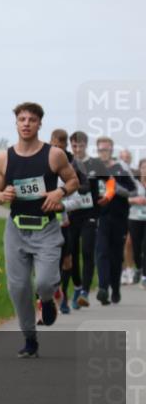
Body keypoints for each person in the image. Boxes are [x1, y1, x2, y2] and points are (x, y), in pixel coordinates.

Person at [0, 103, 78, 358]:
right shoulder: (4, 158)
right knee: (17, 288)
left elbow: (73, 181)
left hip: (47, 229)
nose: (26, 123)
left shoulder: (54, 155)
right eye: (22, 119)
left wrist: (59, 191)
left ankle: (48, 299)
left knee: (44, 282)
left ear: (40, 124)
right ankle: (30, 339)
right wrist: (1, 194)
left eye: (32, 119)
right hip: (16, 229)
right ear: (16, 124)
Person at [86, 137, 136, 305]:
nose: (103, 153)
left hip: (119, 218)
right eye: (100, 150)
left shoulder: (120, 169)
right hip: (100, 217)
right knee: (101, 252)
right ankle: (102, 288)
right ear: (97, 151)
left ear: (111, 150)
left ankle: (115, 288)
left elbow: (133, 191)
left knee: (115, 257)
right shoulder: (93, 170)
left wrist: (116, 189)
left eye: (106, 150)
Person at [65, 131, 97, 308]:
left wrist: (106, 198)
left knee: (87, 251)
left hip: (90, 214)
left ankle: (85, 291)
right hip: (72, 214)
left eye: (81, 145)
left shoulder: (95, 164)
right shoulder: (67, 164)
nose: (77, 149)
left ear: (86, 145)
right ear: (71, 146)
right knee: (73, 253)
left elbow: (108, 183)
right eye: (74, 146)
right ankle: (77, 287)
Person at [49, 129, 78, 314]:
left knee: (67, 262)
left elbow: (78, 198)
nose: (57, 150)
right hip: (45, 226)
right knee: (49, 264)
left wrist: (62, 206)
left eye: (61, 147)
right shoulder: (41, 164)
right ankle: (49, 298)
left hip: (64, 223)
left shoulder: (70, 167)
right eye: (54, 146)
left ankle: (64, 295)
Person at [129, 158, 146, 285]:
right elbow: (126, 199)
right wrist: (135, 200)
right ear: (139, 169)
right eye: (143, 167)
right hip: (135, 217)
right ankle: (138, 268)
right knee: (136, 246)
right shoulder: (133, 183)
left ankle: (144, 276)